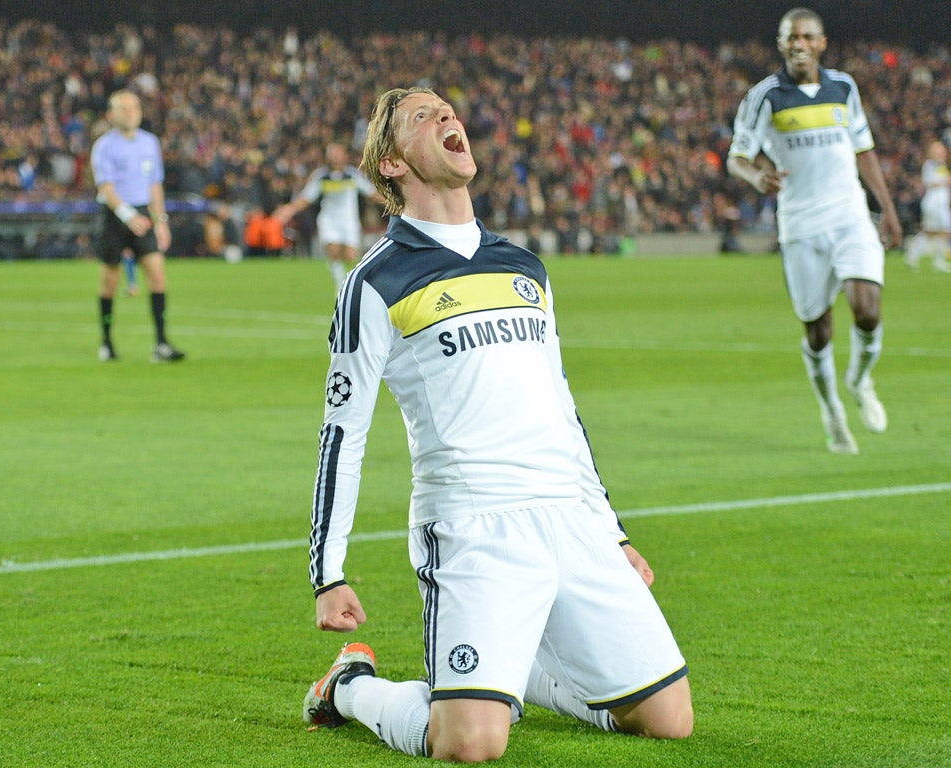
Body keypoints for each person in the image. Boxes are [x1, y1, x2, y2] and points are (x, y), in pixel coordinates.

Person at [302, 87, 693, 763]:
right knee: (471, 744)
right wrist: (328, 571)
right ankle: (350, 686)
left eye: (448, 110)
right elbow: (343, 431)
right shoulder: (374, 281)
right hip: (472, 523)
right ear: (393, 163)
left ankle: (498, 672)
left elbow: (562, 409)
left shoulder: (525, 266)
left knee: (667, 719)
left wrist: (612, 532)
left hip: (568, 518)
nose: (447, 117)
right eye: (423, 117)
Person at [726, 7, 902, 454]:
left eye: (807, 36)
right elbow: (737, 156)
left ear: (821, 43)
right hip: (801, 225)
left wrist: (887, 207)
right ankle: (832, 411)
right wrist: (755, 177)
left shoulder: (843, 87)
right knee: (818, 331)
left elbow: (863, 149)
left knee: (868, 308)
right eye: (791, 37)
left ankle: (860, 381)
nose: (798, 44)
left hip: (849, 217)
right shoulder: (765, 96)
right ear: (781, 44)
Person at [90, 89, 185, 363]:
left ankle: (161, 343)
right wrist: (127, 215)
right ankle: (107, 342)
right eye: (124, 108)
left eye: (134, 108)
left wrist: (161, 221)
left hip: (143, 213)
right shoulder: (104, 146)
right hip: (115, 215)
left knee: (157, 276)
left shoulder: (149, 142)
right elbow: (105, 186)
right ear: (111, 114)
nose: (131, 113)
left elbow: (154, 184)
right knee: (110, 281)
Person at [274, 142, 382, 292]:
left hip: (349, 221)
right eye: (332, 153)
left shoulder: (352, 175)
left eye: (337, 152)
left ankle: (350, 282)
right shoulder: (321, 176)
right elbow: (306, 198)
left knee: (351, 257)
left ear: (344, 155)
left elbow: (371, 193)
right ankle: (340, 284)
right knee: (333, 251)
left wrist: (392, 202)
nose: (334, 156)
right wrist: (289, 209)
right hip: (329, 220)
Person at [903, 140, 951, 273]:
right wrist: (945, 181)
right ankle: (934, 260)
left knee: (935, 232)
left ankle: (915, 255)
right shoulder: (930, 165)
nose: (941, 152)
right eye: (937, 149)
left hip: (940, 203)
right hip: (933, 202)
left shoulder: (941, 165)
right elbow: (929, 182)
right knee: (938, 231)